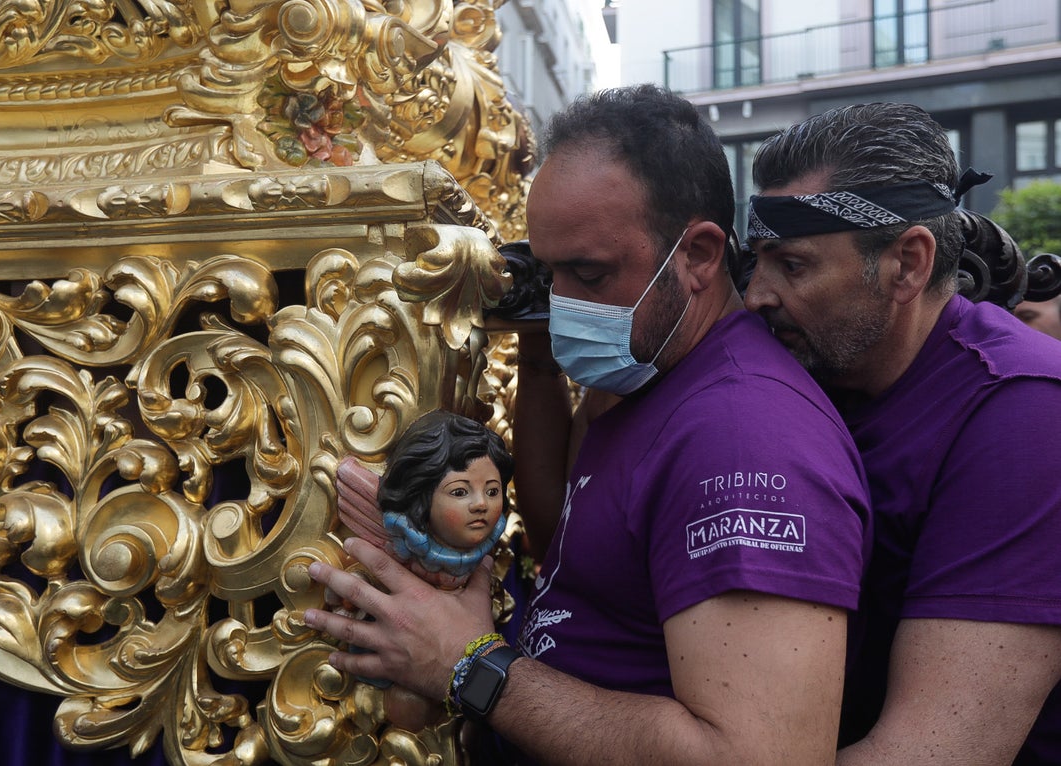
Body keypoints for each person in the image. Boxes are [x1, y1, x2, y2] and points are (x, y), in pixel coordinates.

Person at [302, 84, 871, 765]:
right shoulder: (645, 375)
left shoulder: (744, 440)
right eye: (549, 274)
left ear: (697, 255)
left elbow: (758, 756)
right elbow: (572, 544)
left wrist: (467, 665)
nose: (562, 305)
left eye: (589, 274)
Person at [742, 101, 1061, 765]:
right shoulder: (813, 368)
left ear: (908, 264)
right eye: (756, 264)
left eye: (792, 265)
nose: (757, 296)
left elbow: (937, 752)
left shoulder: (1025, 413)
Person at [336, 409, 513, 590]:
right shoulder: (406, 539)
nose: (481, 504)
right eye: (460, 492)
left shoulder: (486, 544)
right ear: (422, 498)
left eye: (492, 492)